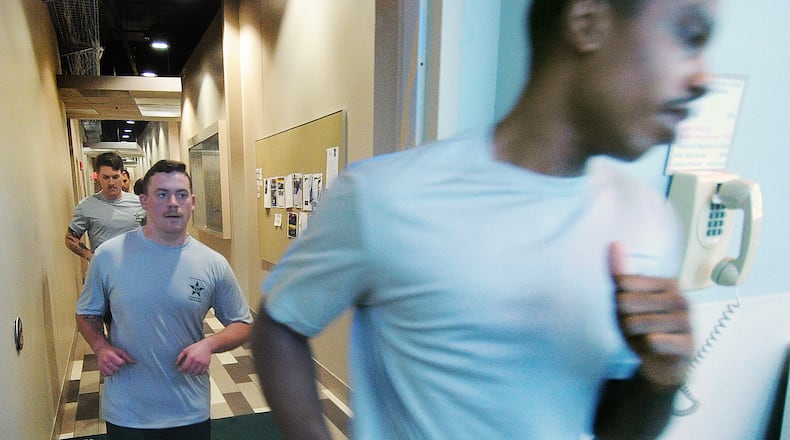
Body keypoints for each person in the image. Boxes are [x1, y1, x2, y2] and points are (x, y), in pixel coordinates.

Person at [252, 0, 715, 438]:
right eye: (688, 34)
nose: (703, 78)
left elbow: (611, 426)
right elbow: (280, 324)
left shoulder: (649, 220)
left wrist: (662, 377)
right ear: (588, 21)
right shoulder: (385, 198)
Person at [75, 160, 253, 439]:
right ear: (144, 201)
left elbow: (242, 322)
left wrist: (210, 344)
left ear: (192, 202)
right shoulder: (109, 256)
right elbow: (87, 313)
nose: (173, 203)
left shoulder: (212, 263)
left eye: (181, 195)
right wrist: (100, 347)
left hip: (189, 410)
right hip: (127, 412)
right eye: (162, 194)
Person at [65, 152, 145, 261]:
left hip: (136, 268)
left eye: (115, 177)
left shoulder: (140, 203)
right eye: (106, 177)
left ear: (122, 175)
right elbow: (70, 238)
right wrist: (89, 255)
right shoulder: (86, 206)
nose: (111, 182)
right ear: (98, 176)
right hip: (104, 271)